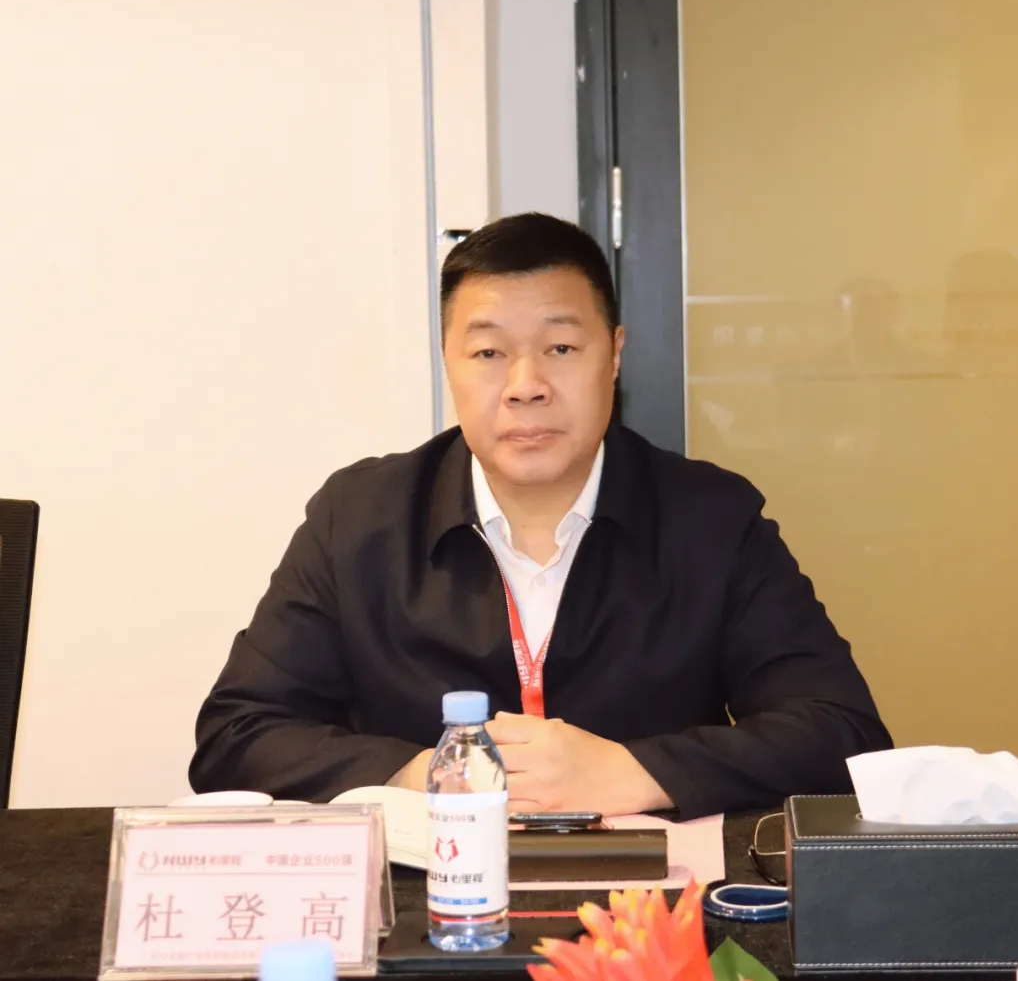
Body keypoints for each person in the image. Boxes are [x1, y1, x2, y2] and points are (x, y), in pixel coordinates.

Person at [189, 213, 891, 819]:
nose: (526, 386)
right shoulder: (360, 519)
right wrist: (433, 775)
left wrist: (630, 772)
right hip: (424, 902)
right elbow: (237, 735)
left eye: (560, 348)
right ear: (449, 363)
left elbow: (843, 734)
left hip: (644, 911)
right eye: (489, 353)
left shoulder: (710, 519)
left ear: (614, 355)